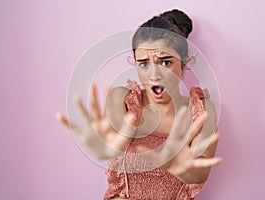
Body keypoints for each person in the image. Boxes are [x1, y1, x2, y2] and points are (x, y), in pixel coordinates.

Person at [56, 9, 222, 200]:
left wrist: (184, 168)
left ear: (183, 63)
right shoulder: (122, 100)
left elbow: (201, 172)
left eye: (166, 62)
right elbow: (111, 142)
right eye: (144, 64)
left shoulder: (202, 111)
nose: (154, 75)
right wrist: (103, 144)